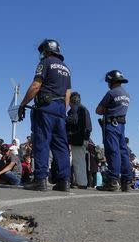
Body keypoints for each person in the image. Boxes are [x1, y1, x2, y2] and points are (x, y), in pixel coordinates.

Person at [18, 39, 71, 192]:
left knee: (42, 141)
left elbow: (36, 85)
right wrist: (62, 111)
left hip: (45, 108)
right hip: (60, 109)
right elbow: (68, 93)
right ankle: (64, 181)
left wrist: (22, 104)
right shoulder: (66, 69)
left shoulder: (46, 63)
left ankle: (40, 180)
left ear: (46, 51)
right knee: (61, 145)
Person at [95, 70, 132, 191]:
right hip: (121, 125)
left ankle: (112, 181)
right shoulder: (126, 94)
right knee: (123, 152)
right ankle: (126, 182)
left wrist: (108, 111)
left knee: (113, 152)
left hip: (111, 125)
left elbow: (98, 110)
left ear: (111, 81)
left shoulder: (111, 93)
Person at [66, 91, 92, 189]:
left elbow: (73, 120)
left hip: (77, 138)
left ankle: (81, 183)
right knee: (80, 161)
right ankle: (80, 181)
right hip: (84, 138)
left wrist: (63, 118)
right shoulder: (84, 109)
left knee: (78, 161)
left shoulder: (76, 108)